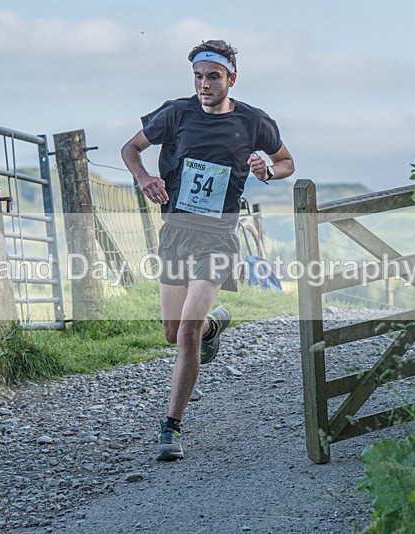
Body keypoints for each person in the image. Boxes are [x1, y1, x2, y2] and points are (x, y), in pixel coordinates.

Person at [120, 39, 295, 461]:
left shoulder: (254, 122)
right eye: (198, 77)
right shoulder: (176, 114)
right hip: (177, 232)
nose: (204, 84)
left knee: (185, 333)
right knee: (171, 332)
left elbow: (287, 161)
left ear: (230, 79)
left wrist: (268, 171)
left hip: (219, 236)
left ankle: (171, 427)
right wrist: (144, 178)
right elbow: (130, 149)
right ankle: (213, 327)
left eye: (213, 77)